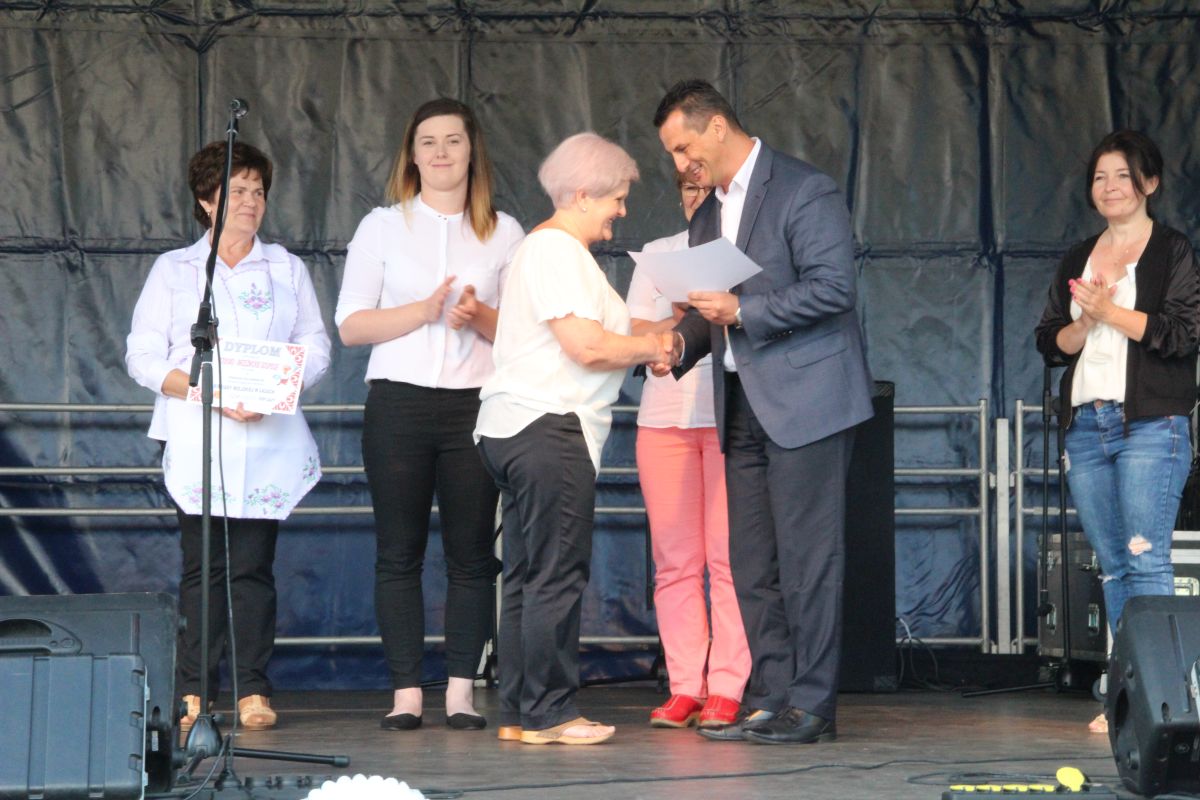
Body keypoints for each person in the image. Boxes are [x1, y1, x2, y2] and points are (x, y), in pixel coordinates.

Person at [652, 79, 874, 745]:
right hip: (741, 402)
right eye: (672, 154)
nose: (680, 164)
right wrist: (677, 345)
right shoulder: (707, 214)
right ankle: (772, 695)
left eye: (683, 147)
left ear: (718, 127)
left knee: (809, 560)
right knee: (751, 562)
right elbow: (707, 310)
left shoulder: (804, 190)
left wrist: (745, 311)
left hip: (807, 401)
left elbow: (834, 288)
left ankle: (813, 703)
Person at [474, 132, 673, 746]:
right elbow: (587, 346)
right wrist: (655, 346)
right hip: (549, 427)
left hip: (515, 428)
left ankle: (521, 711)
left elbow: (613, 330)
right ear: (583, 194)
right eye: (616, 198)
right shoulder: (556, 251)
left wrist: (673, 327)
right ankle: (551, 712)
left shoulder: (551, 252)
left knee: (528, 577)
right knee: (556, 575)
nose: (622, 210)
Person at [126, 140, 331, 732]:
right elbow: (142, 356)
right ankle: (195, 691)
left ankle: (252, 690)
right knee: (203, 569)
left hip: (268, 435)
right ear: (206, 201)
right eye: (236, 191)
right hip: (198, 434)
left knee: (253, 567)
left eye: (258, 191)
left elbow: (316, 345)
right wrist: (207, 392)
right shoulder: (176, 270)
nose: (250, 202)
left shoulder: (286, 268)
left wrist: (276, 389)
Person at [336, 98, 524, 731]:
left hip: (476, 407)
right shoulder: (382, 227)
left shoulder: (505, 232)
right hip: (399, 404)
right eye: (428, 142)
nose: (441, 153)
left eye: (453, 141)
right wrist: (422, 311)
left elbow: (526, 333)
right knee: (399, 552)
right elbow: (351, 324)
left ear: (472, 151)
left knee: (472, 555)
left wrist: (481, 317)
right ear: (411, 156)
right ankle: (407, 692)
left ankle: (462, 691)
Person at [1035, 130, 1199, 735]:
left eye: (1123, 176)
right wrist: (1084, 323)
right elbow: (1050, 340)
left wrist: (1112, 313)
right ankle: (1125, 695)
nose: (1109, 187)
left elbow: (1183, 334)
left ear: (1149, 183)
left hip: (1151, 423)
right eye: (1100, 177)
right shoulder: (1079, 256)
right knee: (1110, 565)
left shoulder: (1171, 250)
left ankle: (1161, 702)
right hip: (1088, 425)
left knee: (1144, 559)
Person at [628, 174, 750, 729]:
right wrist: (681, 319)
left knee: (728, 559)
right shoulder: (659, 252)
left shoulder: (744, 253)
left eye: (707, 191)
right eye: (687, 190)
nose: (697, 199)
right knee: (675, 561)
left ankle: (727, 685)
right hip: (663, 419)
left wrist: (713, 314)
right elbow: (635, 328)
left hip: (729, 416)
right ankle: (685, 686)